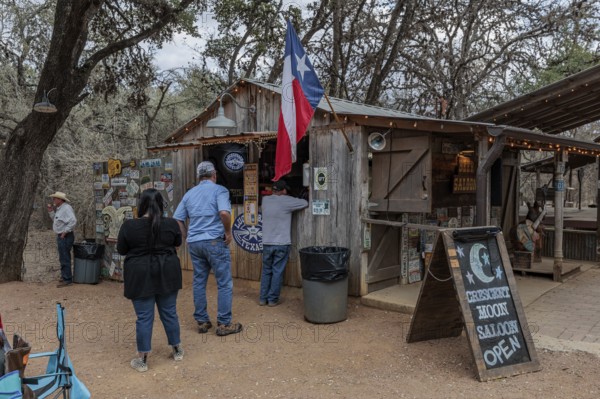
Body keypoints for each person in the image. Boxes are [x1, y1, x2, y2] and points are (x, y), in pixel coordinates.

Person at [117, 189, 184, 373]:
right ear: (161, 204)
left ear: (142, 205)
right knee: (170, 312)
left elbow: (122, 249)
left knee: (144, 317)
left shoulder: (129, 226)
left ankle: (143, 359)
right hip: (168, 270)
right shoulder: (171, 224)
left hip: (140, 274)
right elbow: (178, 243)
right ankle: (177, 349)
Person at [173, 161, 242, 337]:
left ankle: (202, 321)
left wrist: (187, 236)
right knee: (224, 283)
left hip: (195, 244)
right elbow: (224, 213)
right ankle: (224, 324)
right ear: (214, 175)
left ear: (199, 176)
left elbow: (178, 219)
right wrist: (227, 232)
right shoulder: (220, 190)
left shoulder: (189, 194)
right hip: (214, 242)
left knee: (199, 282)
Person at [259, 179, 308, 306]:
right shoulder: (287, 200)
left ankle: (262, 298)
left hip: (266, 242)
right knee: (277, 271)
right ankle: (272, 300)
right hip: (281, 243)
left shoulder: (265, 200)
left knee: (266, 271)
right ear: (283, 190)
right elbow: (305, 202)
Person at [47, 191, 77, 288]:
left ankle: (67, 279)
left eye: (55, 198)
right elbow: (57, 222)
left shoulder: (66, 208)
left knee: (64, 257)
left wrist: (65, 232)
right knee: (63, 257)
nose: (53, 200)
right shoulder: (60, 209)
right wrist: (51, 211)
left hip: (65, 236)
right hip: (62, 235)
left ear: (60, 199)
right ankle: (65, 276)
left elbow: (73, 221)